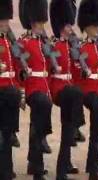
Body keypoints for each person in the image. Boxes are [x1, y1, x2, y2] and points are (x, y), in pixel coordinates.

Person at [49, 0, 85, 179]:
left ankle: (63, 169)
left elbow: (77, 72)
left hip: (70, 91)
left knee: (67, 130)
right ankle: (78, 127)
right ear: (62, 27)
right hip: (59, 89)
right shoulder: (53, 45)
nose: (71, 28)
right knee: (76, 95)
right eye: (68, 25)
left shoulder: (72, 45)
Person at [19, 0, 53, 179]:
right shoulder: (24, 43)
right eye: (39, 22)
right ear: (32, 23)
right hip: (32, 88)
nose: (42, 25)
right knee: (42, 112)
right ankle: (37, 164)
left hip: (44, 87)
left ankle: (34, 163)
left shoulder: (44, 42)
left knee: (37, 123)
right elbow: (21, 64)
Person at [77, 0, 98, 179]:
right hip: (87, 91)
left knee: (97, 130)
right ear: (86, 28)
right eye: (93, 26)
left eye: (97, 26)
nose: (96, 29)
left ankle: (93, 163)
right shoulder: (81, 47)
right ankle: (93, 165)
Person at [0, 0, 22, 179]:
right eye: (3, 22)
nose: (6, 25)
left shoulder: (9, 40)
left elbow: (17, 64)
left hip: (9, 90)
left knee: (7, 134)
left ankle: (7, 170)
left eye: (7, 21)